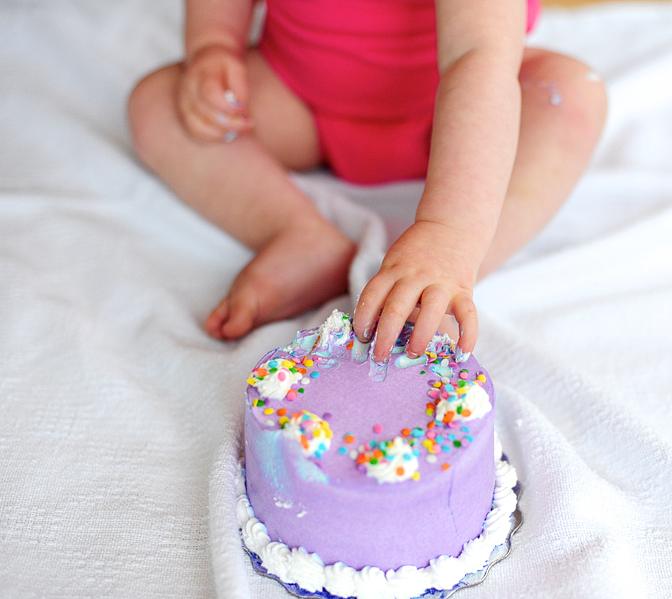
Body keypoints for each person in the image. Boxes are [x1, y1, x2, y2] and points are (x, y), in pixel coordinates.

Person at [128, 0, 606, 364]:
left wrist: (450, 230)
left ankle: (451, 273)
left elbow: (478, 57)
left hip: (451, 123)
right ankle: (298, 233)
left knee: (570, 97)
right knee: (158, 105)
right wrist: (213, 46)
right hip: (301, 102)